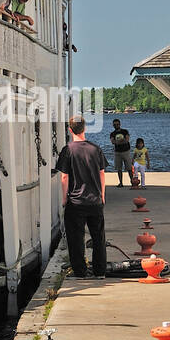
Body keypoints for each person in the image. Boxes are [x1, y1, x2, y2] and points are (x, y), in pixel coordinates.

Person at [57, 115, 107, 279]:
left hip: (76, 202)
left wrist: (64, 199)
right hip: (95, 201)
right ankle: (100, 272)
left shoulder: (68, 150)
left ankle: (80, 272)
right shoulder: (95, 148)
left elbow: (64, 177)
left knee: (76, 238)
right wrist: (102, 196)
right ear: (85, 128)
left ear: (70, 130)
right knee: (98, 237)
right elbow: (102, 174)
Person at [109, 119, 133, 187]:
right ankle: (121, 183)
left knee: (129, 168)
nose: (116, 126)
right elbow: (113, 142)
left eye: (117, 124)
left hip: (126, 152)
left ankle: (132, 182)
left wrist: (119, 142)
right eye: (114, 125)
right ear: (113, 125)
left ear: (120, 124)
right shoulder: (112, 134)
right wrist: (121, 141)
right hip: (117, 153)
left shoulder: (125, 131)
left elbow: (127, 140)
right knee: (119, 169)